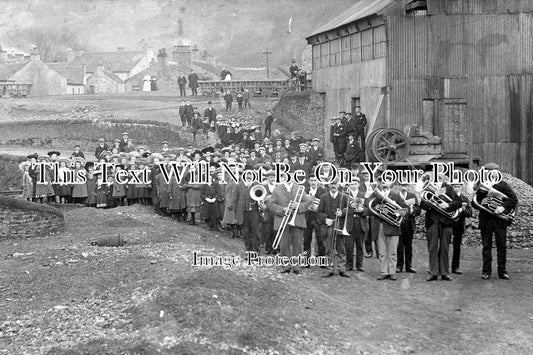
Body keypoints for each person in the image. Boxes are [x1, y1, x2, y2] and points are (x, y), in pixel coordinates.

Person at [474, 163, 518, 280]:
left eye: (494, 171)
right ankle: (486, 271)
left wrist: (503, 207)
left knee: (501, 247)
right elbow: (475, 202)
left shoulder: (503, 185)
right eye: (489, 171)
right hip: (486, 220)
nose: (491, 173)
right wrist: (482, 202)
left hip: (499, 221)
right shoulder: (481, 185)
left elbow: (514, 199)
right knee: (486, 247)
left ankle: (502, 271)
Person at [421, 174, 462, 281]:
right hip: (432, 222)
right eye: (436, 177)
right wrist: (432, 202)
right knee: (432, 248)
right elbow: (422, 205)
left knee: (445, 248)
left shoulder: (448, 188)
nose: (437, 179)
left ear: (443, 179)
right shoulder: (428, 189)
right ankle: (433, 273)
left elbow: (458, 202)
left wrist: (448, 205)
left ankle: (444, 273)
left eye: (440, 177)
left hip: (446, 222)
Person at [267, 177, 310, 274]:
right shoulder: (277, 189)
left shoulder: (299, 188)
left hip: (297, 219)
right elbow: (271, 204)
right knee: (284, 244)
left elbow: (307, 202)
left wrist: (297, 206)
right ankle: (286, 266)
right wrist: (283, 209)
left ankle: (297, 266)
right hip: (283, 219)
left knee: (298, 244)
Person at [373, 181, 408, 281]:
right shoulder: (377, 196)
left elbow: (406, 209)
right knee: (382, 252)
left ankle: (392, 272)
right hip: (381, 226)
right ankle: (384, 272)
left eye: (387, 183)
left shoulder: (396, 196)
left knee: (392, 252)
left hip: (393, 227)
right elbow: (372, 206)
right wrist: (378, 207)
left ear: (390, 185)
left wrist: (396, 212)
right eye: (383, 183)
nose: (385, 185)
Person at [317, 179, 349, 277]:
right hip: (328, 227)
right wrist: (325, 219)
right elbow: (319, 212)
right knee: (328, 249)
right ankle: (329, 269)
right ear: (328, 185)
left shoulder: (344, 196)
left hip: (339, 226)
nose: (333, 185)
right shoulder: (323, 197)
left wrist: (342, 212)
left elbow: (349, 210)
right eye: (331, 184)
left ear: (338, 185)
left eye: (335, 184)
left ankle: (342, 269)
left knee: (341, 248)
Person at [396, 184, 421, 273]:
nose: (403, 187)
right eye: (402, 185)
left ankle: (408, 266)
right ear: (399, 185)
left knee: (409, 246)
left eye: (405, 185)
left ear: (408, 186)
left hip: (409, 224)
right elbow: (393, 210)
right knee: (399, 246)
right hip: (399, 224)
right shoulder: (395, 196)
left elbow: (418, 209)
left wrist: (412, 210)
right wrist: (399, 212)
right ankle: (399, 266)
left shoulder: (412, 196)